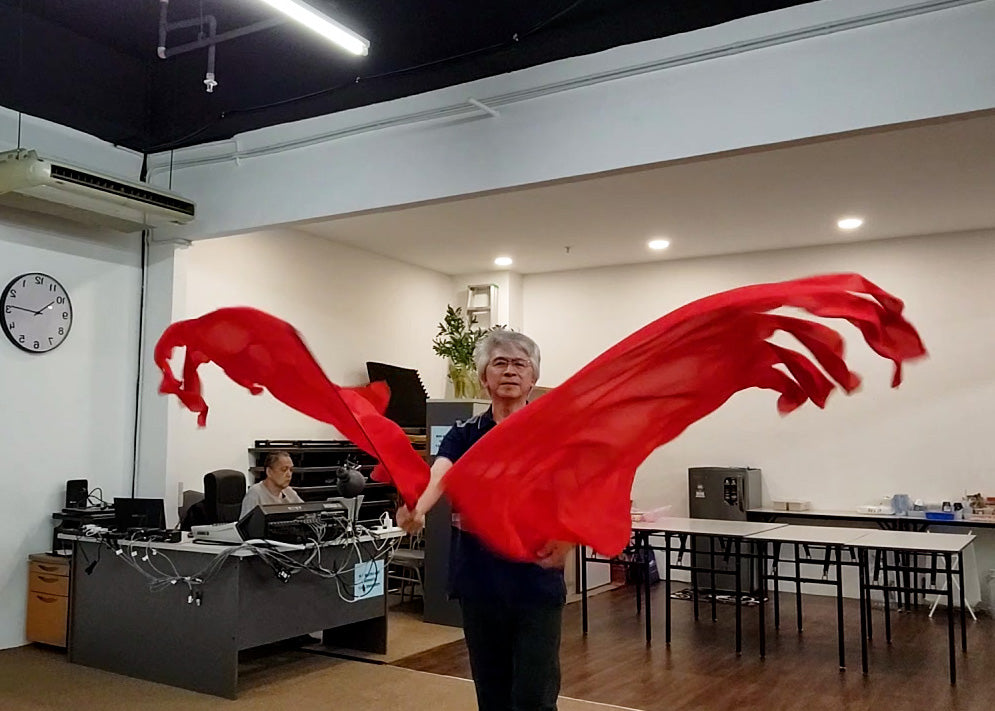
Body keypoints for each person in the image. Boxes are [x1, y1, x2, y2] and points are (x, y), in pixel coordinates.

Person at [398, 330, 572, 711]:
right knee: (491, 692)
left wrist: (568, 540)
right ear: (484, 377)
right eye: (500, 363)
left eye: (519, 364)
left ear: (533, 378)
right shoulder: (464, 434)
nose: (510, 371)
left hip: (536, 579)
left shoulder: (553, 434)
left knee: (533, 694)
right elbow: (441, 474)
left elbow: (575, 493)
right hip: (480, 579)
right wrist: (419, 509)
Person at [240, 450, 304, 518]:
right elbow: (245, 526)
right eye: (284, 469)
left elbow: (307, 513)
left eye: (291, 470)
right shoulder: (255, 494)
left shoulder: (289, 492)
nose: (289, 474)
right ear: (269, 472)